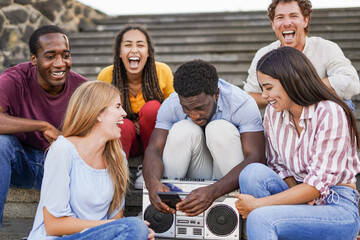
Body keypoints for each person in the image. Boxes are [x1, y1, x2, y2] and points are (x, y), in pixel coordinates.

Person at [236, 47, 360, 239]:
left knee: (260, 218)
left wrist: (258, 205)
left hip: (336, 206)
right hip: (301, 195)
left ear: (290, 80)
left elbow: (316, 186)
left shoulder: (330, 112)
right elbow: (277, 165)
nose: (265, 96)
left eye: (269, 88)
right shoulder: (273, 114)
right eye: (262, 89)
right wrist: (298, 193)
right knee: (252, 173)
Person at [28, 81, 154, 240]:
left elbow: (116, 220)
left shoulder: (118, 158)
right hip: (57, 237)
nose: (124, 113)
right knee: (136, 226)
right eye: (117, 107)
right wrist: (119, 227)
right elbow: (53, 225)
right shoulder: (63, 150)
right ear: (98, 113)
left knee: (139, 230)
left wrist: (128, 230)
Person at [142, 59, 265, 217]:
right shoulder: (171, 104)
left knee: (219, 128)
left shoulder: (242, 103)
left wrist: (212, 191)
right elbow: (154, 149)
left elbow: (256, 158)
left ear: (216, 94)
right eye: (186, 107)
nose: (194, 115)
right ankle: (168, 206)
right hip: (198, 173)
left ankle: (232, 214)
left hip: (230, 179)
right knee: (183, 129)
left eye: (201, 108)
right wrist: (152, 184)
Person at [0, 25, 87, 229]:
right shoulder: (14, 79)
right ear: (34, 59)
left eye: (65, 55)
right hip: (22, 164)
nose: (60, 64)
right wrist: (41, 126)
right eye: (50, 56)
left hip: (62, 169)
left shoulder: (82, 88)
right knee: (1, 144)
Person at [243, 0, 360, 110]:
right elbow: (250, 96)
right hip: (284, 115)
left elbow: (352, 83)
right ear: (273, 24)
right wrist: (282, 96)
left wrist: (298, 87)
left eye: (293, 16)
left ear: (305, 20)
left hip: (320, 112)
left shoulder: (326, 48)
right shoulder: (264, 55)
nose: (287, 23)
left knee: (345, 103)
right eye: (280, 17)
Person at [98, 24, 174, 188]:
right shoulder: (106, 75)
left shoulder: (162, 72)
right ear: (119, 52)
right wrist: (131, 123)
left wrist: (146, 120)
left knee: (153, 107)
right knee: (123, 124)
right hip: (125, 138)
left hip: (155, 138)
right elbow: (99, 115)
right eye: (127, 45)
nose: (134, 50)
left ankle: (149, 167)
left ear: (148, 52)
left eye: (140, 45)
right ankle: (118, 170)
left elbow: (175, 111)